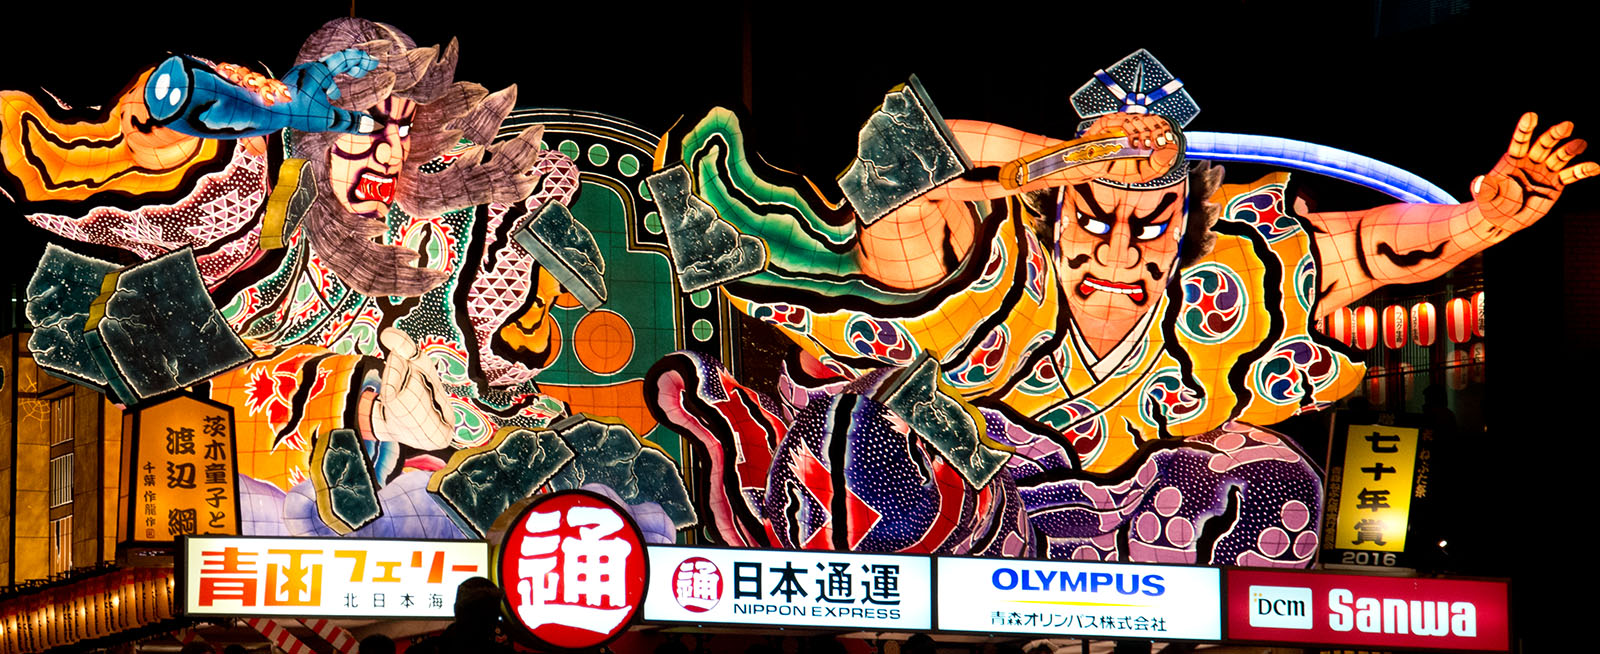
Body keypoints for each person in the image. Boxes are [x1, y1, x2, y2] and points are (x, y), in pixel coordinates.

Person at [645, 51, 1592, 563]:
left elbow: (1381, 246)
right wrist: (1056, 158)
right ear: (1056, 213)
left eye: (1151, 228)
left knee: (1274, 485)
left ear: (1186, 229)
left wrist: (1483, 220)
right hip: (940, 533)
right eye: (1093, 220)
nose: (1117, 253)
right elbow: (898, 167)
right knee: (880, 448)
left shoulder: (1234, 285)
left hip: (1136, 553)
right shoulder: (980, 269)